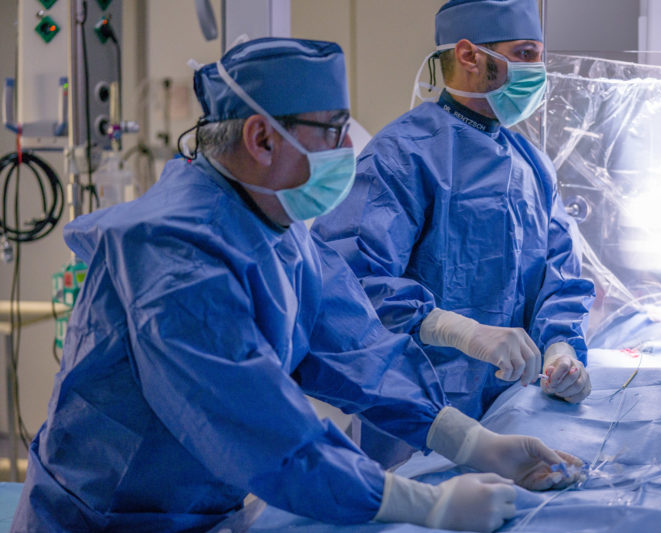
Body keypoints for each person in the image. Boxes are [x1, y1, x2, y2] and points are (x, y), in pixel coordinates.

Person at [11, 38, 583, 533]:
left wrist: (473, 442)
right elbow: (256, 422)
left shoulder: (271, 223)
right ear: (261, 138)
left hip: (203, 505)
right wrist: (426, 504)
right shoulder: (172, 255)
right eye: (333, 130)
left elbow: (353, 347)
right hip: (112, 515)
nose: (346, 150)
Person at [312, 0, 596, 468]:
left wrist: (563, 348)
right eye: (524, 53)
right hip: (418, 428)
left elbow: (560, 275)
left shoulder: (530, 163)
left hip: (519, 415)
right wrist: (456, 330)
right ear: (469, 56)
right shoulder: (403, 156)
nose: (537, 71)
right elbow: (346, 285)